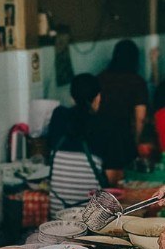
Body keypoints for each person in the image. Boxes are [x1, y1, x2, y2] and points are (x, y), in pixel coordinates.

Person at [47, 73, 123, 216]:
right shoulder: (106, 126)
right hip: (91, 218)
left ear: (72, 98)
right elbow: (113, 178)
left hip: (57, 214)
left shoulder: (58, 117)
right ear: (98, 97)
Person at [98, 39, 149, 167]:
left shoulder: (100, 78)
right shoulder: (137, 82)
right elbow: (140, 117)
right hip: (124, 138)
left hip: (100, 136)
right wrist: (136, 142)